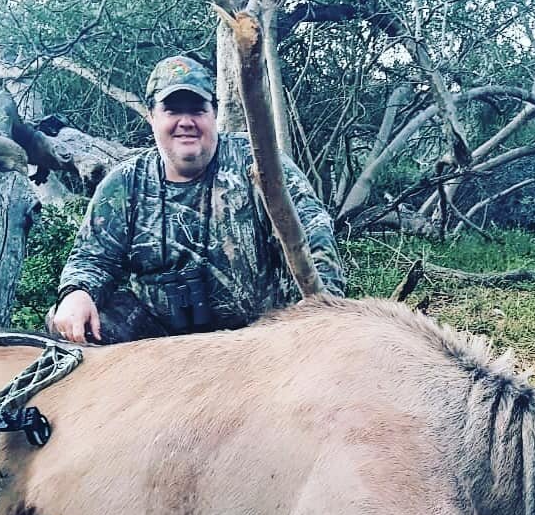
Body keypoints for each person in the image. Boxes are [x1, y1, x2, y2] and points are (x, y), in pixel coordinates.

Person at [50, 55, 346, 344]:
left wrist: (321, 311)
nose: (186, 122)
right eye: (172, 110)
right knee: (71, 321)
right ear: (152, 116)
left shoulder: (257, 162)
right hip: (155, 341)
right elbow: (92, 257)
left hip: (257, 337)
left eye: (197, 109)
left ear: (213, 113)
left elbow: (312, 234)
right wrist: (77, 292)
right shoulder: (125, 182)